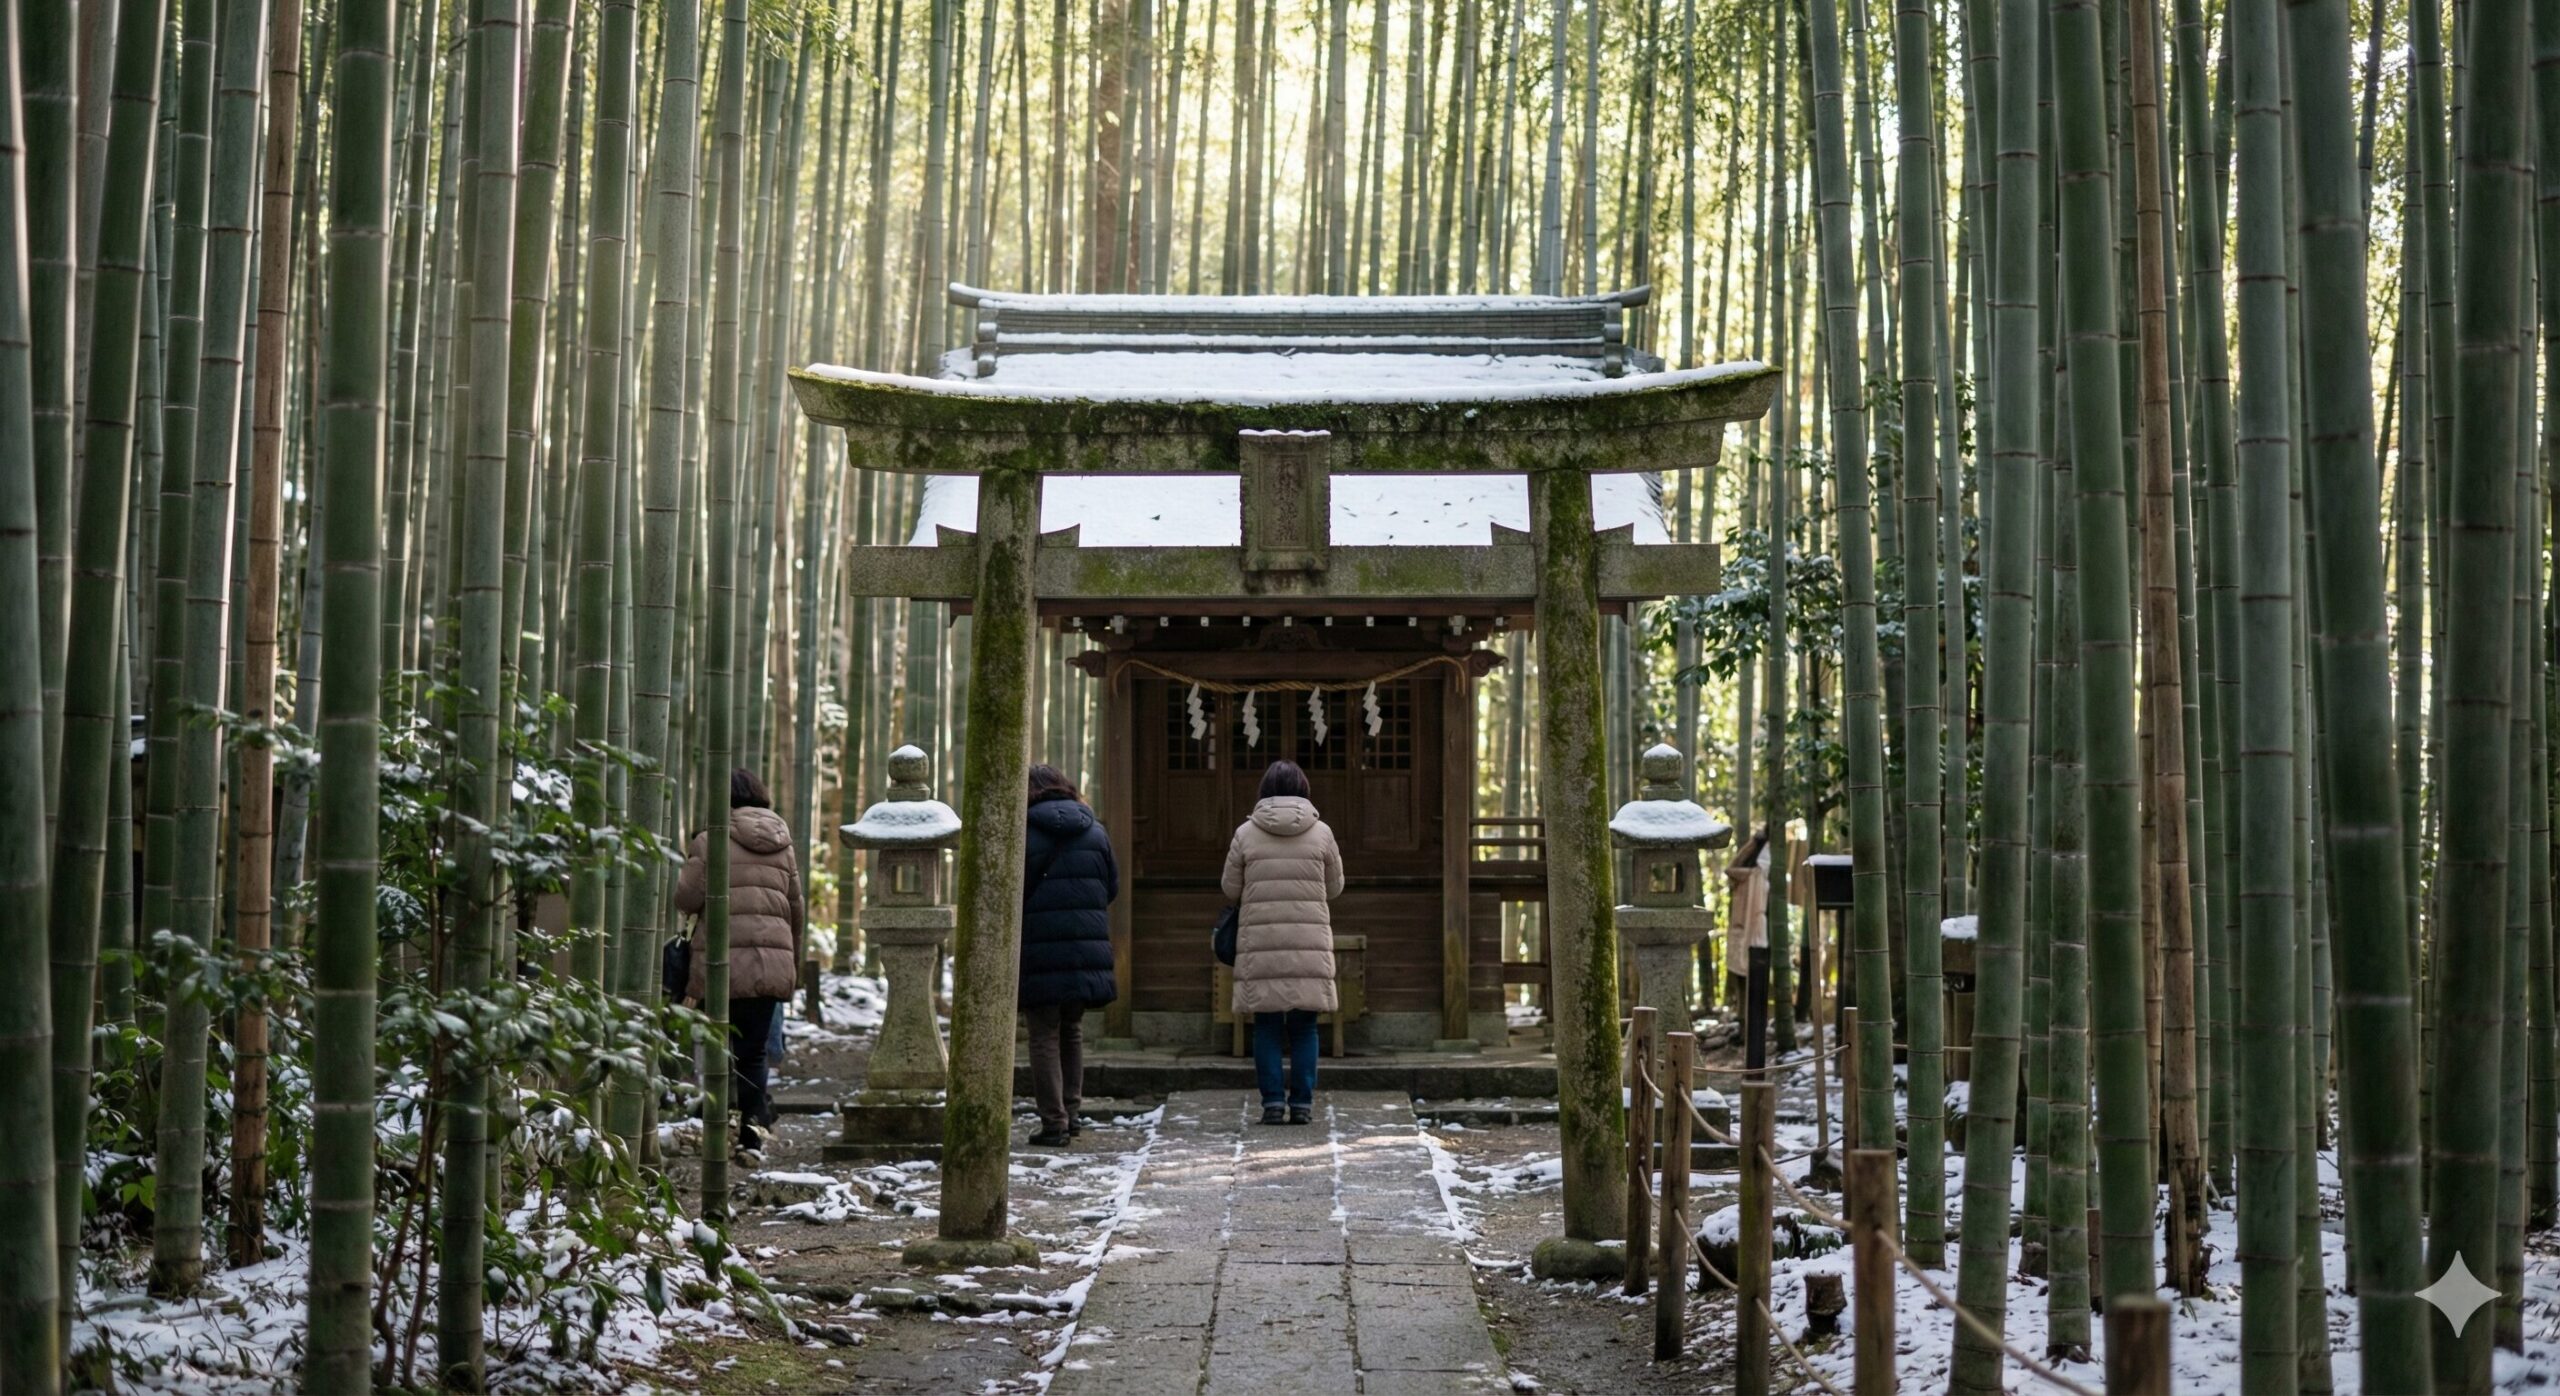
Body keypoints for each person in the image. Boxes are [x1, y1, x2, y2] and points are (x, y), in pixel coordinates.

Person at [674, 768, 806, 1157]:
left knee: (717, 1048)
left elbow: (685, 898)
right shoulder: (783, 843)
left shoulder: (710, 839)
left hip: (721, 962)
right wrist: (791, 965)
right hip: (771, 964)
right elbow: (795, 911)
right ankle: (752, 1137)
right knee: (753, 1053)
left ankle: (718, 1131)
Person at [1222, 759, 1345, 1126]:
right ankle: (1303, 1104)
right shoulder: (1322, 832)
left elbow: (1230, 889)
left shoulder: (1246, 833)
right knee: (1306, 1026)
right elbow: (1335, 887)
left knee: (1267, 1025)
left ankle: (1273, 1103)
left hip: (1261, 940)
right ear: (1304, 789)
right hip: (1309, 941)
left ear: (1264, 791)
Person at [1019, 764, 1120, 1146]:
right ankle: (1073, 1112)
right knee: (1072, 1031)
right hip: (1085, 947)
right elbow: (1110, 887)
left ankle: (1054, 1122)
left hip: (1040, 946)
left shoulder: (1023, 831)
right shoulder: (1095, 830)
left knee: (1044, 1033)